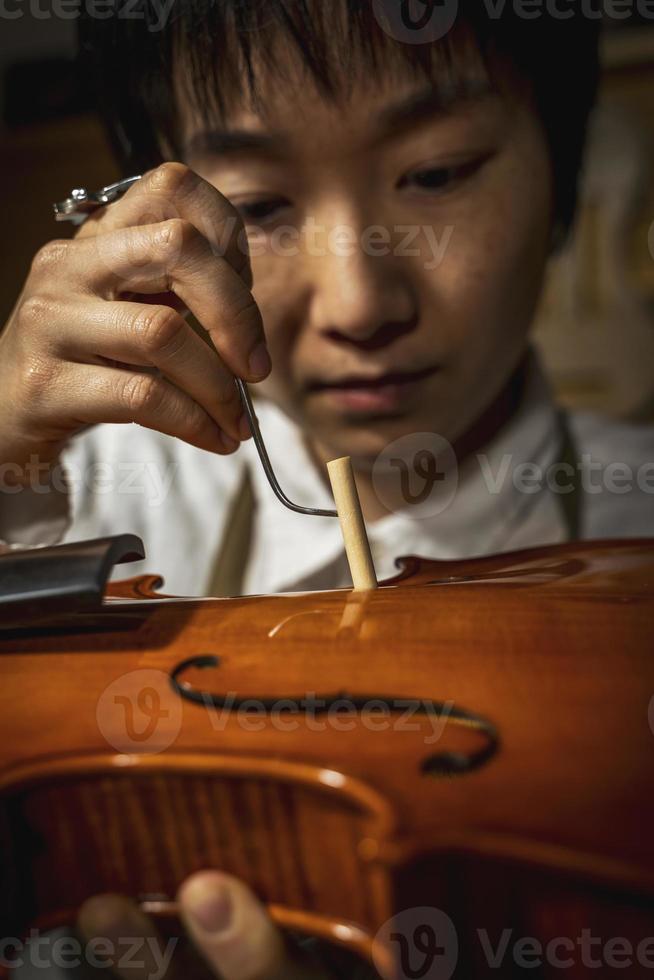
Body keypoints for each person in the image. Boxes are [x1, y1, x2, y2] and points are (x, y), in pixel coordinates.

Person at [0, 2, 652, 978]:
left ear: (561, 160)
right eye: (258, 206)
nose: (360, 305)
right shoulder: (62, 490)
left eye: (436, 173)